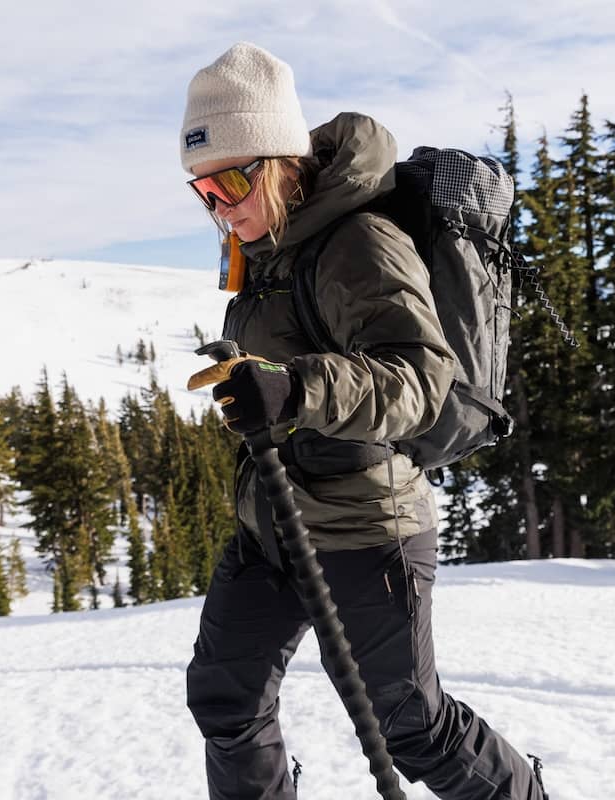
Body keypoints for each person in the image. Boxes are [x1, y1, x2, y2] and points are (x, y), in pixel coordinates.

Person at [181, 42, 546, 800]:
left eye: (231, 181)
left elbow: (419, 379)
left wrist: (293, 389)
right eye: (203, 192)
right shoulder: (267, 247)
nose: (221, 208)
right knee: (226, 701)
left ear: (279, 158)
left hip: (366, 528)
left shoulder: (357, 241)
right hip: (275, 521)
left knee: (410, 725)